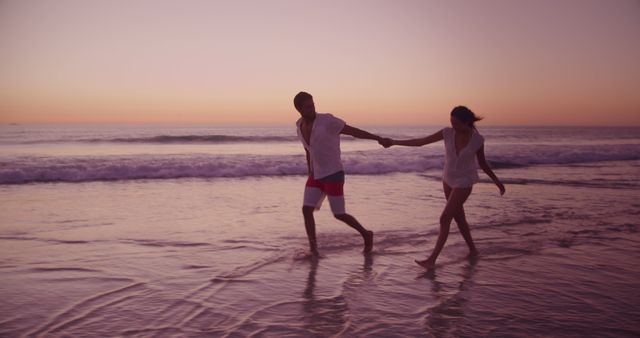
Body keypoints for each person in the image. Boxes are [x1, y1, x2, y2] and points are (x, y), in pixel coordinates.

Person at [379, 106, 505, 269]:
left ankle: (432, 260)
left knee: (444, 218)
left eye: (456, 123)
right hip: (447, 179)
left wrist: (497, 181)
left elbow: (482, 163)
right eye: (451, 123)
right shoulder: (447, 133)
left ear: (466, 122)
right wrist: (394, 142)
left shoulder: (478, 140)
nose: (453, 127)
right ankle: (473, 250)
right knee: (459, 219)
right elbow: (421, 142)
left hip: (465, 181)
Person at [294, 91, 384, 256]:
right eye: (308, 107)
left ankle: (366, 234)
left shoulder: (327, 121)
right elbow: (308, 150)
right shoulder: (299, 125)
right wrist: (310, 171)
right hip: (316, 175)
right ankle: (313, 249)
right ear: (299, 109)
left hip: (333, 173)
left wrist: (378, 138)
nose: (312, 109)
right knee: (306, 210)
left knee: (339, 214)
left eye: (313, 105)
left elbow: (353, 131)